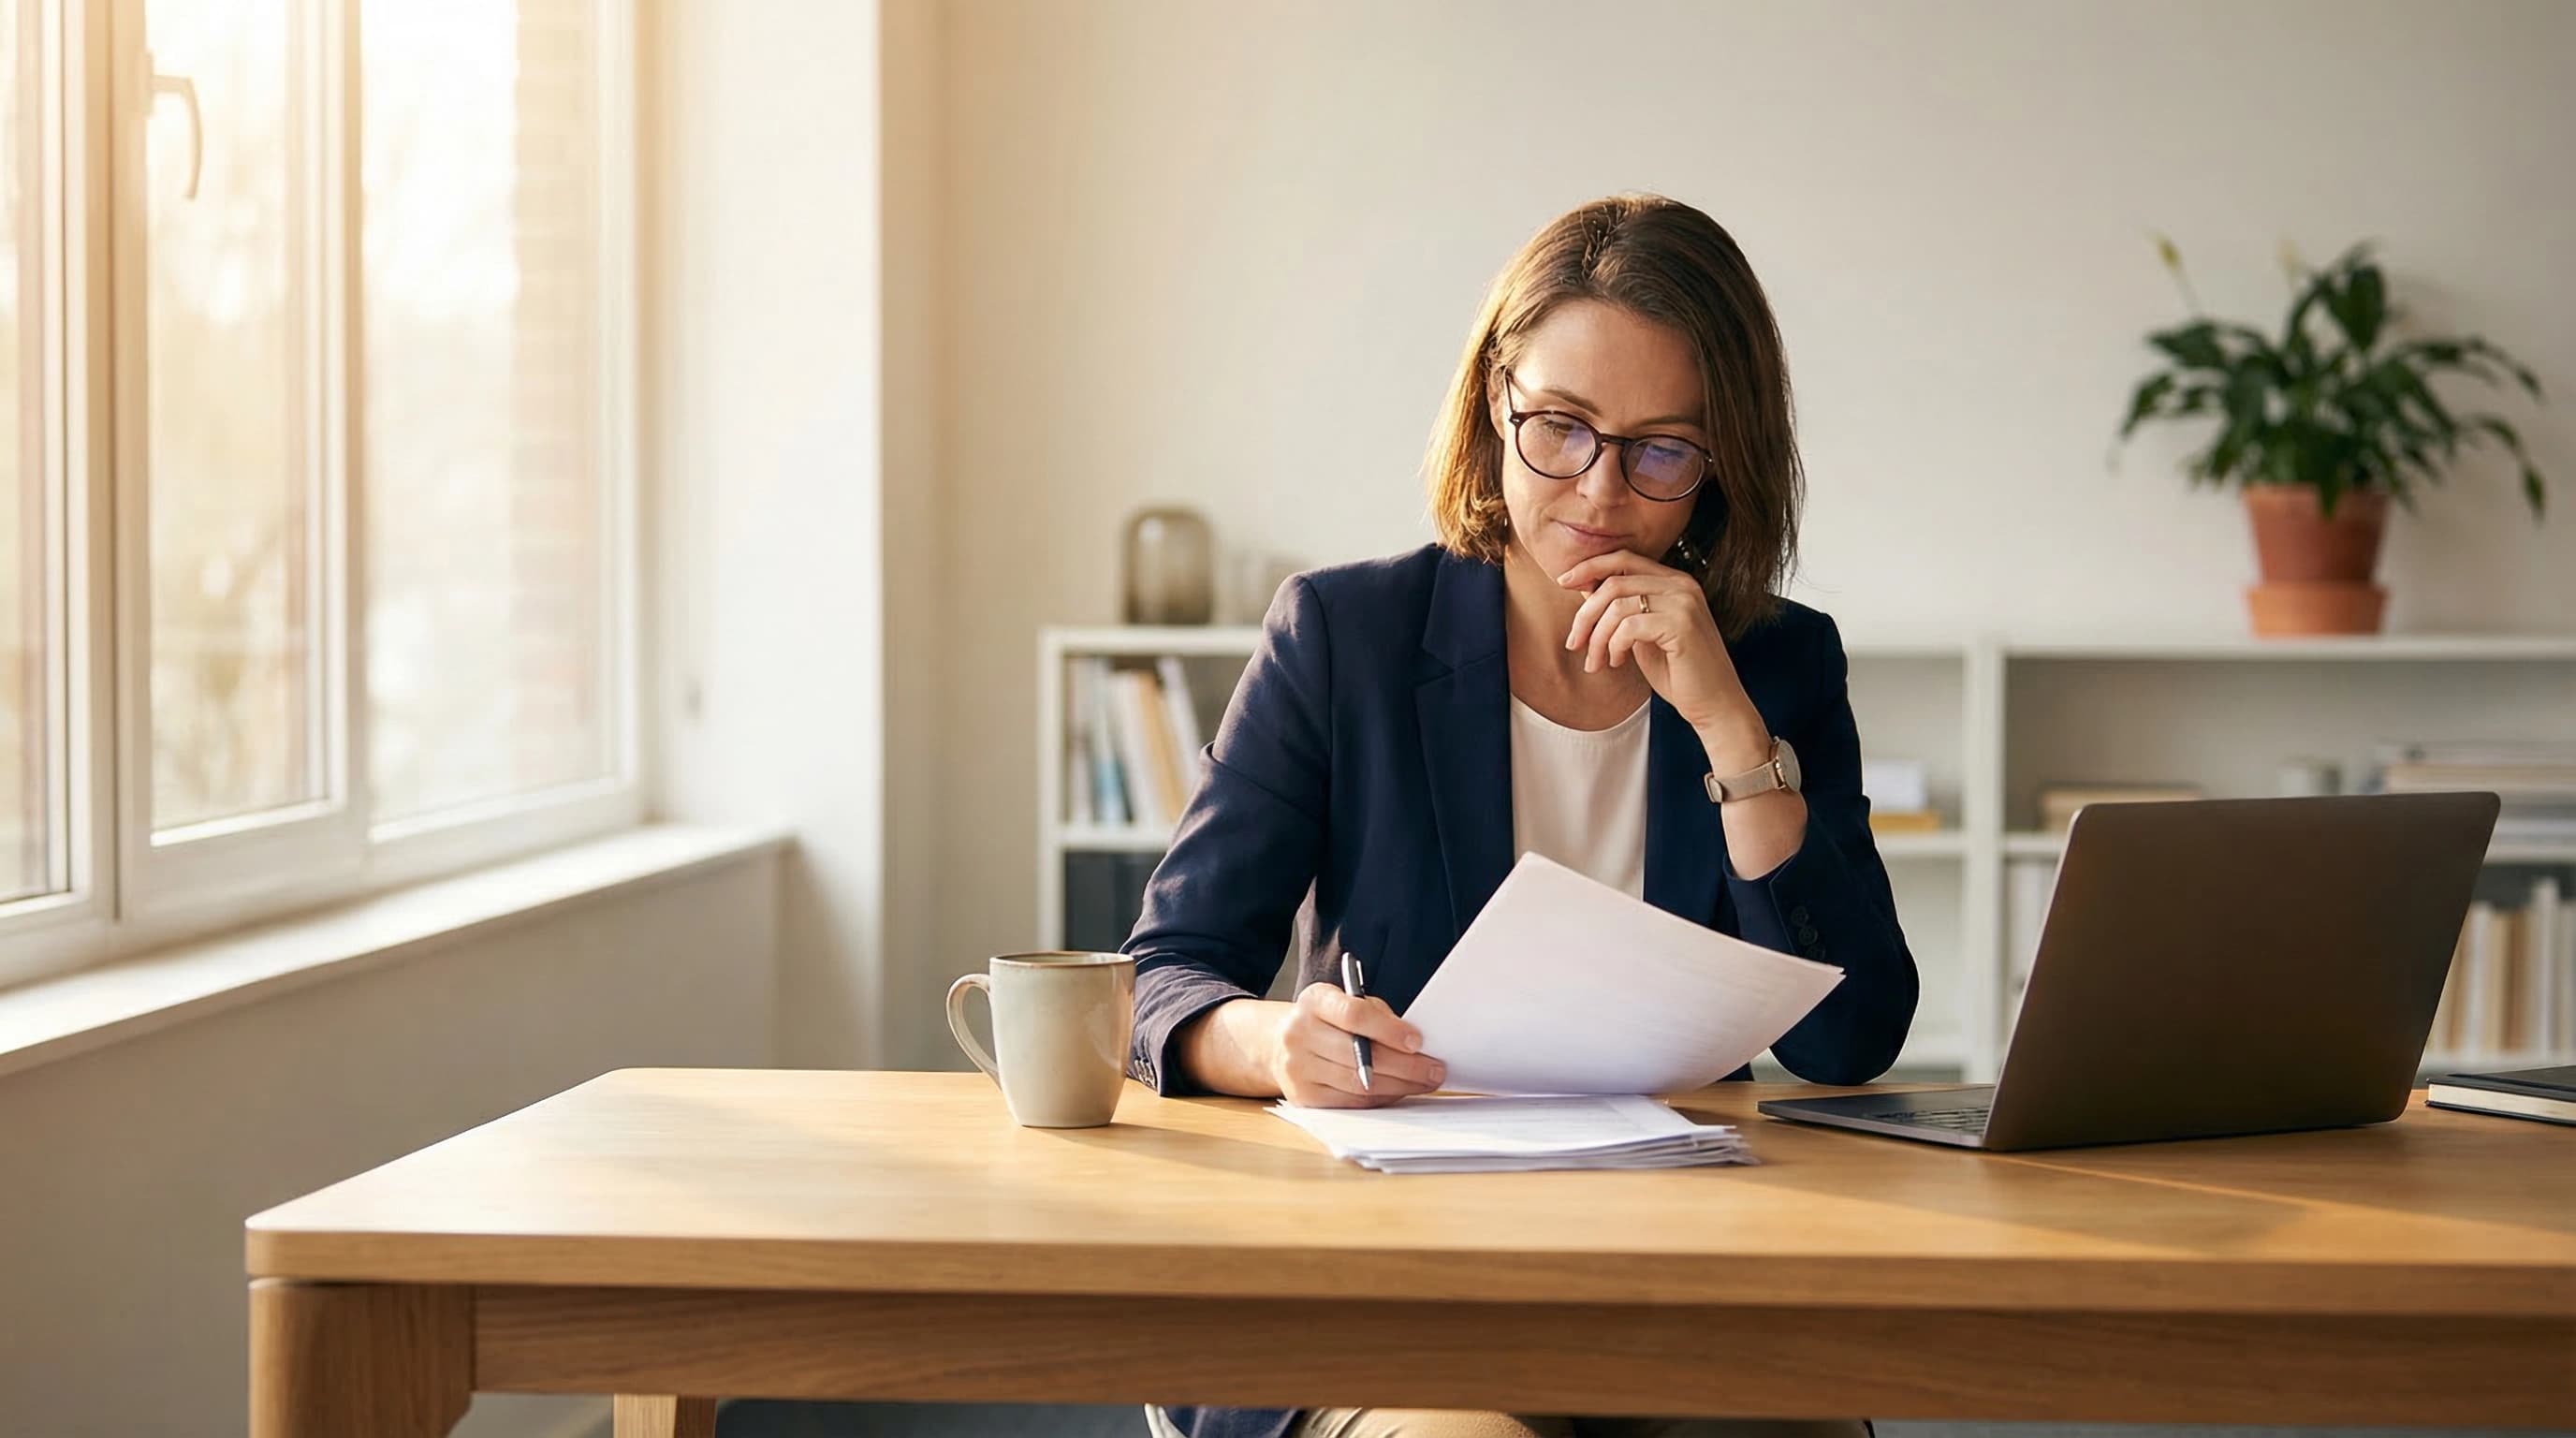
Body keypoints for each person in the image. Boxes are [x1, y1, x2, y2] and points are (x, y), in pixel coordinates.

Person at [1128, 194, 1914, 1438]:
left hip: (1681, 1270)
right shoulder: (1345, 637)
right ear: (1496, 400)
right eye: (1561, 428)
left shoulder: (1778, 663)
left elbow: (1852, 1039)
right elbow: (1166, 974)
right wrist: (1277, 1044)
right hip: (1389, 1281)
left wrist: (1730, 730)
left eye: (1661, 449)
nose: (1600, 492)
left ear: (1724, 465)